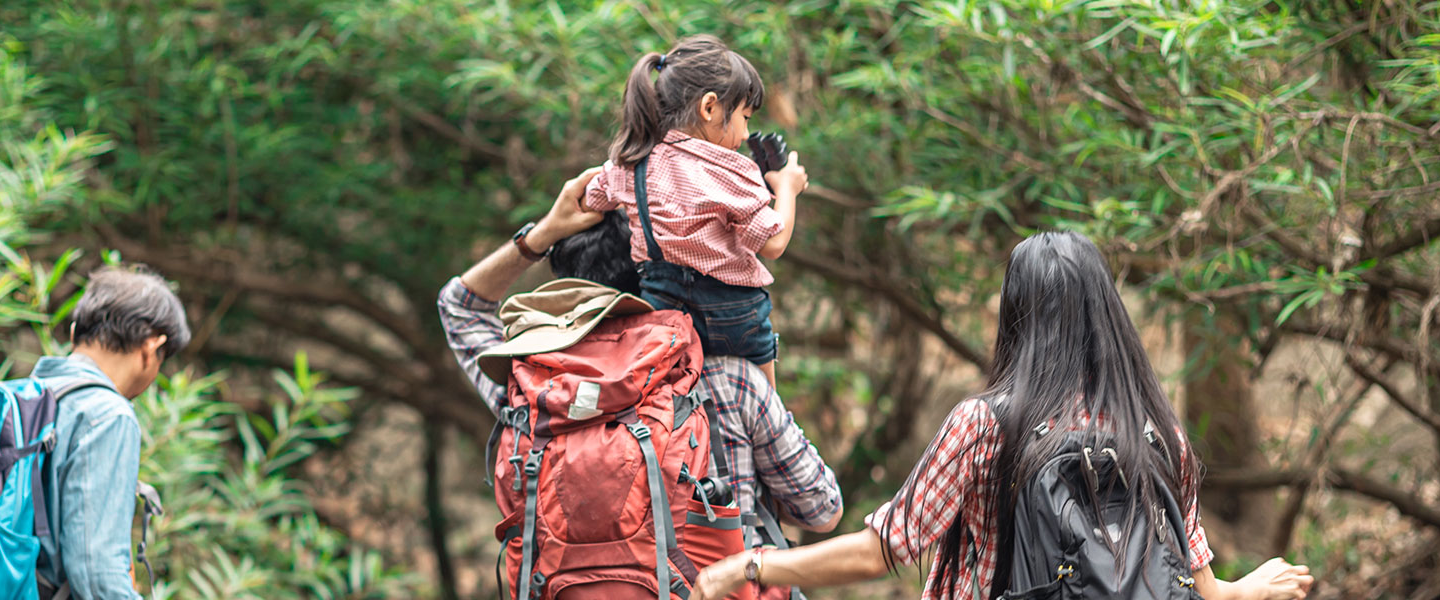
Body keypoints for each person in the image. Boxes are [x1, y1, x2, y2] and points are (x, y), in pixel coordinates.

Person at [690, 232, 1316, 600]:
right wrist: (1249, 588)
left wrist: (751, 564)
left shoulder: (984, 425)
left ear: (1016, 315)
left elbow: (881, 551)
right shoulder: (1157, 430)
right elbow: (1197, 587)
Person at [437, 169, 842, 597]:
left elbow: (458, 307)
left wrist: (540, 235)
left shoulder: (535, 388)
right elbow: (822, 510)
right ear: (651, 274)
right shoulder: (727, 378)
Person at [580, 34, 810, 386]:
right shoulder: (733, 169)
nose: (746, 133)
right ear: (710, 107)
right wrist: (787, 188)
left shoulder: (629, 165)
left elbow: (589, 201)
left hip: (663, 313)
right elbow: (773, 244)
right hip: (737, 317)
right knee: (768, 417)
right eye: (744, 118)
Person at [35, 266, 190, 600]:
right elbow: (97, 575)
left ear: (76, 331)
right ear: (152, 348)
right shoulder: (108, 415)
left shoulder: (26, 396)